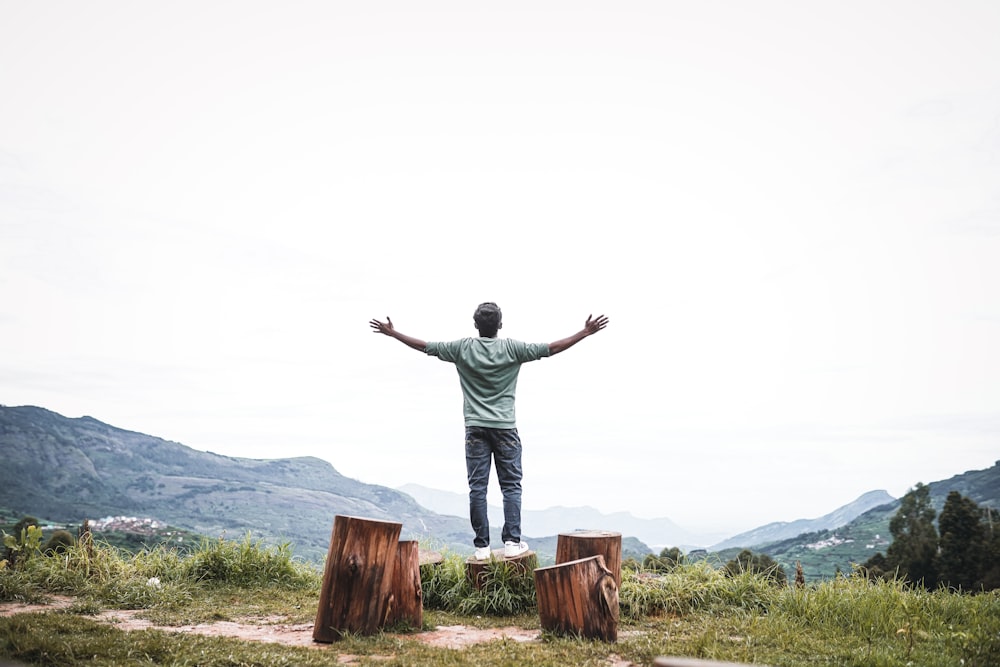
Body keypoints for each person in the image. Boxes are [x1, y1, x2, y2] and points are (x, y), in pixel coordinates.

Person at [370, 302, 608, 560]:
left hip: (475, 429)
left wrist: (393, 333)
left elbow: (425, 347)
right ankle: (511, 542)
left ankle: (482, 547)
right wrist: (584, 333)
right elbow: (551, 349)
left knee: (477, 488)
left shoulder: (462, 348)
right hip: (505, 428)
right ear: (500, 325)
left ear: (475, 326)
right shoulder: (513, 349)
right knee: (511, 487)